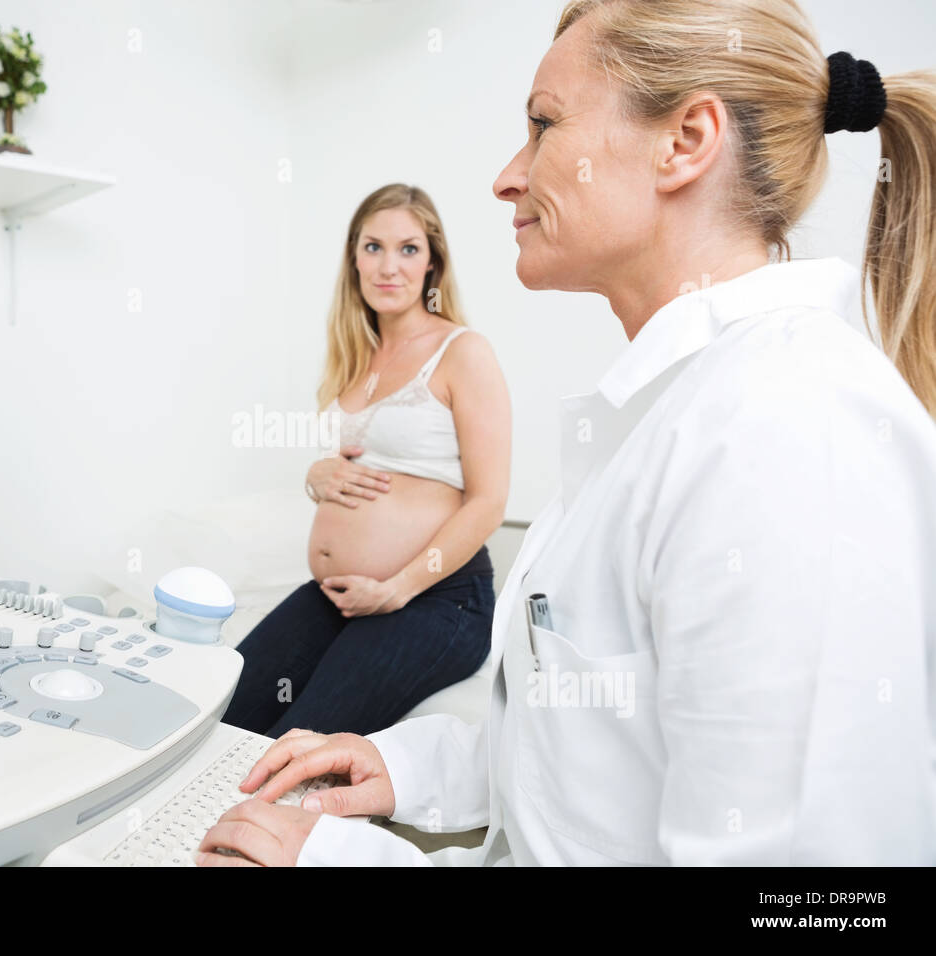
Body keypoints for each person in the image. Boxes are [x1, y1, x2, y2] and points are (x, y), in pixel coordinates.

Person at [197, 0, 936, 866]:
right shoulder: (658, 416)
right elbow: (598, 750)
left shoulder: (787, 429)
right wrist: (407, 765)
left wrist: (342, 861)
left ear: (685, 141)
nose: (507, 177)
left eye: (543, 125)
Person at [220, 184, 511, 738]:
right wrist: (315, 476)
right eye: (373, 247)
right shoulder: (355, 358)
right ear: (354, 258)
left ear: (432, 263)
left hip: (436, 599)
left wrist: (399, 586)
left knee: (297, 744)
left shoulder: (463, 352)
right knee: (225, 712)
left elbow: (489, 500)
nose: (388, 266)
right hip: (339, 593)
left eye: (408, 249)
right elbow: (357, 463)